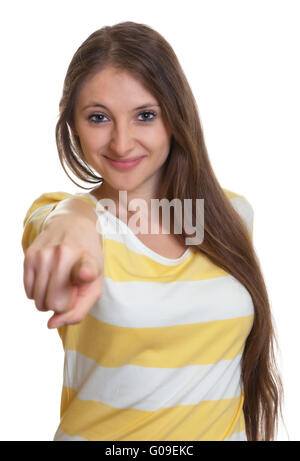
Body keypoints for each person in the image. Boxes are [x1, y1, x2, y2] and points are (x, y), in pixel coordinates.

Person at [21, 21, 284, 441]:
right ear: (72, 124)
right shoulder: (64, 219)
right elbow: (60, 226)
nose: (122, 144)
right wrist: (73, 218)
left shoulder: (231, 215)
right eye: (98, 118)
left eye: (145, 115)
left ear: (175, 117)